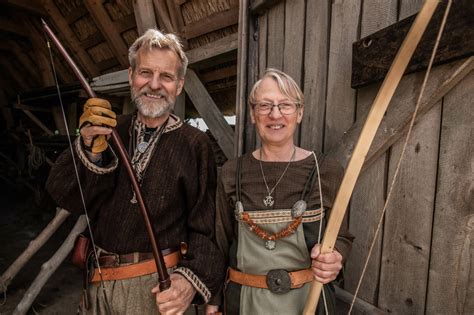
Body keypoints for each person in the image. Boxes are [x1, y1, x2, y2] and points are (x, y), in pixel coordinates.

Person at [46, 29, 224, 314]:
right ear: (131, 76)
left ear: (179, 85)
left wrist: (187, 282)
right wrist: (90, 146)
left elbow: (207, 229)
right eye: (145, 73)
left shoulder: (195, 144)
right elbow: (65, 196)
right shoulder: (106, 128)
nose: (154, 85)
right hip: (97, 283)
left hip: (156, 289)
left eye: (166, 76)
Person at [207, 69, 354, 314]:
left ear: (300, 112)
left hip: (309, 302)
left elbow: (343, 236)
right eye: (265, 105)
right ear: (253, 114)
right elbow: (221, 242)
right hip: (243, 303)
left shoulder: (326, 171)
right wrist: (214, 299)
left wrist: (336, 256)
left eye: (285, 105)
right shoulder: (232, 172)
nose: (275, 114)